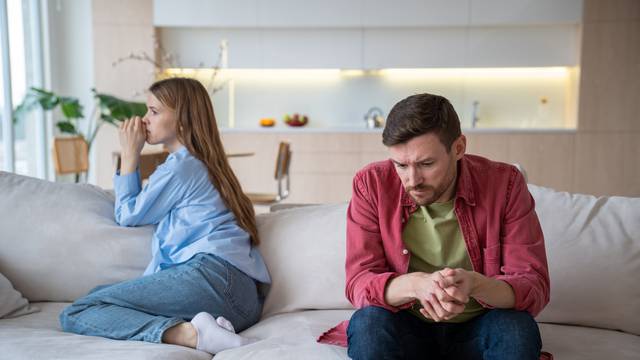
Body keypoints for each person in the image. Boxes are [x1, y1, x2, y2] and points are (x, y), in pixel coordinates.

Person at [318, 93, 550, 359]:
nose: (412, 180)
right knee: (368, 324)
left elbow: (533, 285)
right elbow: (359, 282)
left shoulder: (505, 184)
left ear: (459, 147)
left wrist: (475, 284)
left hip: (480, 325)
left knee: (517, 330)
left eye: (426, 164)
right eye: (401, 165)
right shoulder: (371, 184)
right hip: (405, 323)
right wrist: (416, 285)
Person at [59, 77, 270, 355]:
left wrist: (129, 153)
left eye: (154, 112)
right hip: (243, 302)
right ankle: (209, 331)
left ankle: (190, 335)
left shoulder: (182, 167)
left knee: (80, 310)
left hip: (214, 278)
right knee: (99, 296)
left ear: (182, 120)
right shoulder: (207, 163)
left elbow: (128, 215)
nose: (145, 120)